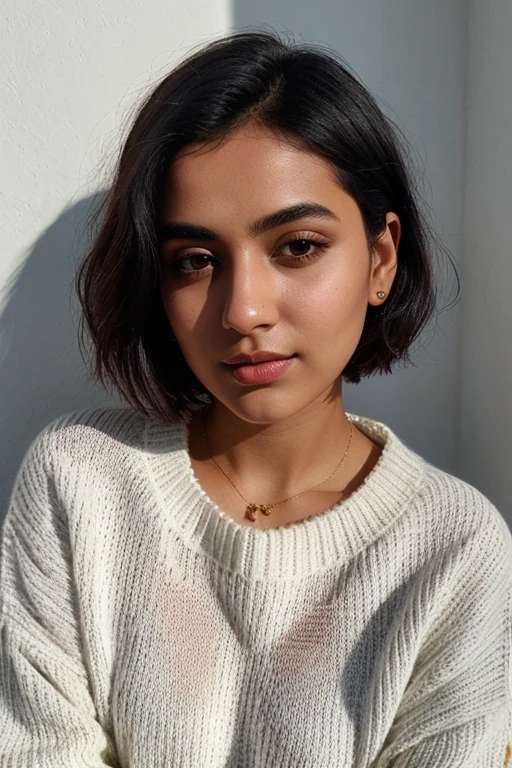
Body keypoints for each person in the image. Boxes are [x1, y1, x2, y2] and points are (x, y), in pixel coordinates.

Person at [0, 29, 511, 768]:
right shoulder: (79, 484)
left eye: (297, 246)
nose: (243, 311)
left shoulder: (453, 551)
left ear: (381, 259)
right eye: (195, 261)